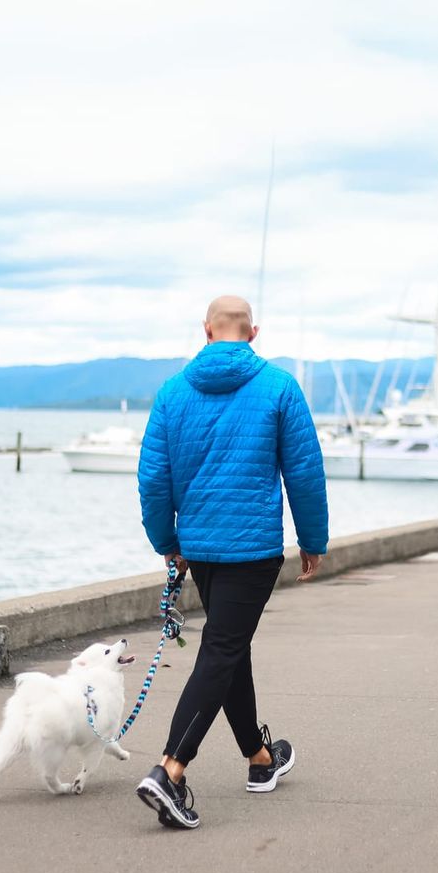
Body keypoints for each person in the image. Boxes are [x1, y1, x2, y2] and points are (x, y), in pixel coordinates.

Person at [135, 295, 329, 830]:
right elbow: (305, 472)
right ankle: (171, 768)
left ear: (206, 331)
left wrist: (166, 541)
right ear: (254, 332)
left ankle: (260, 759)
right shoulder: (278, 386)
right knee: (223, 647)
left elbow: (153, 478)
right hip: (254, 549)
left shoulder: (172, 393)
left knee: (227, 643)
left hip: (201, 548)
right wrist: (313, 539)